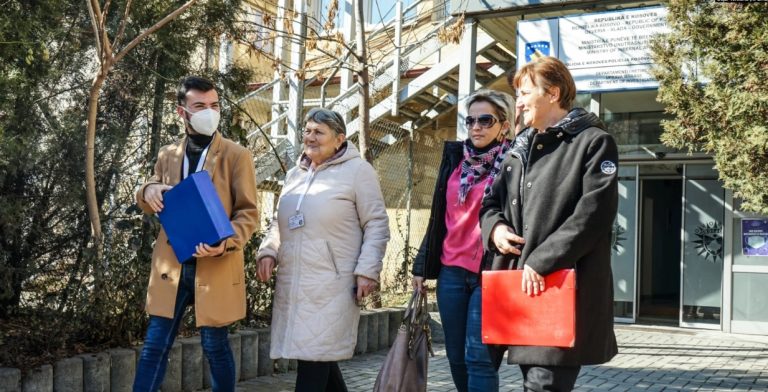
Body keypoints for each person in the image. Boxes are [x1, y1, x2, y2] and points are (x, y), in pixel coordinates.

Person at [479, 56, 619, 392]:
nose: (520, 102)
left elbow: (594, 214)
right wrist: (495, 229)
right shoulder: (519, 149)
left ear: (553, 93)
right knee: (533, 380)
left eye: (525, 92)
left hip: (557, 286)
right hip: (517, 289)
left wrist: (541, 261)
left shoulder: (593, 142)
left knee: (544, 384)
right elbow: (491, 202)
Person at [133, 76, 260, 392]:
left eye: (214, 105)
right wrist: (147, 190)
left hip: (214, 264)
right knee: (153, 346)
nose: (209, 112)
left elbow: (249, 213)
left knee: (215, 347)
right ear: (182, 112)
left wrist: (226, 244)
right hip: (172, 266)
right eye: (200, 106)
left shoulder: (236, 155)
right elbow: (149, 188)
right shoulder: (168, 154)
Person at [256, 108, 390, 392]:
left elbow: (376, 223)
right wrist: (268, 251)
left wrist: (367, 270)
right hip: (294, 283)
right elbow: (279, 223)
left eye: (319, 132)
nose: (310, 137)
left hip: (332, 283)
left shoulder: (358, 172)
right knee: (318, 359)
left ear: (339, 139)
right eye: (307, 130)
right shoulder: (295, 174)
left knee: (313, 360)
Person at [411, 89, 516, 392]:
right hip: (451, 273)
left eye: (486, 120)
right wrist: (421, 266)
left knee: (480, 357)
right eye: (471, 120)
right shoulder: (456, 160)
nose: (476, 127)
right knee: (456, 357)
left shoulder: (513, 162)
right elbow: (438, 220)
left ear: (504, 125)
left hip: (490, 271)